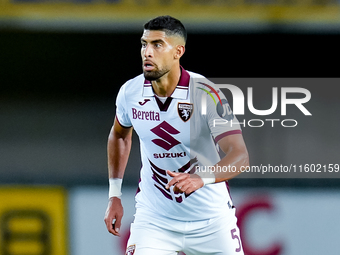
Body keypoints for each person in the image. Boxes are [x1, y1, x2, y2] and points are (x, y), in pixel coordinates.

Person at [104, 15, 249, 255]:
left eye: (157, 44)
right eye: (144, 44)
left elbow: (240, 155)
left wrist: (201, 178)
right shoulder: (130, 92)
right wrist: (114, 195)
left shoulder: (205, 93)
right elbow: (120, 135)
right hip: (155, 220)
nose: (147, 52)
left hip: (211, 222)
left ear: (178, 51)